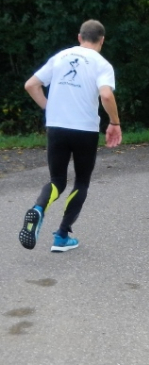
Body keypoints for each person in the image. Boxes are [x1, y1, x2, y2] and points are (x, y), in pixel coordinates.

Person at [19, 19, 122, 252]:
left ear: (79, 37)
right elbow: (106, 95)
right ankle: (62, 236)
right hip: (85, 129)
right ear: (102, 40)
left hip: (56, 127)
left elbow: (31, 85)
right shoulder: (102, 64)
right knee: (81, 181)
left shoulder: (60, 57)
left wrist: (49, 108)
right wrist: (115, 122)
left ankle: (38, 209)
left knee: (57, 180)